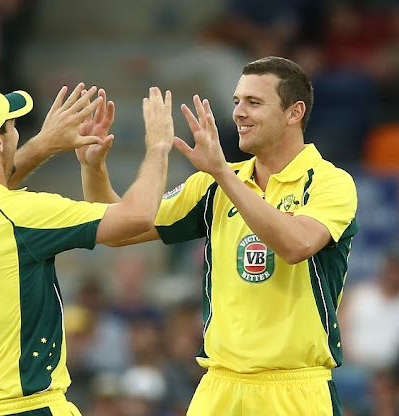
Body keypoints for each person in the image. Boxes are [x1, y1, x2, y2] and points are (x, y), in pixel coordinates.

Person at [77, 56, 359, 415]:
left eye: (254, 103)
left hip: (295, 389)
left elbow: (296, 245)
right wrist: (93, 167)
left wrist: (223, 173)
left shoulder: (330, 182)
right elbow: (117, 232)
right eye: (236, 102)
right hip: (219, 385)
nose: (239, 112)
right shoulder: (212, 184)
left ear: (294, 112)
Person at [0, 82, 175, 416]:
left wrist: (43, 145)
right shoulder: (21, 215)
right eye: (12, 127)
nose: (16, 133)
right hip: (28, 405)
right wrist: (158, 146)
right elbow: (138, 216)